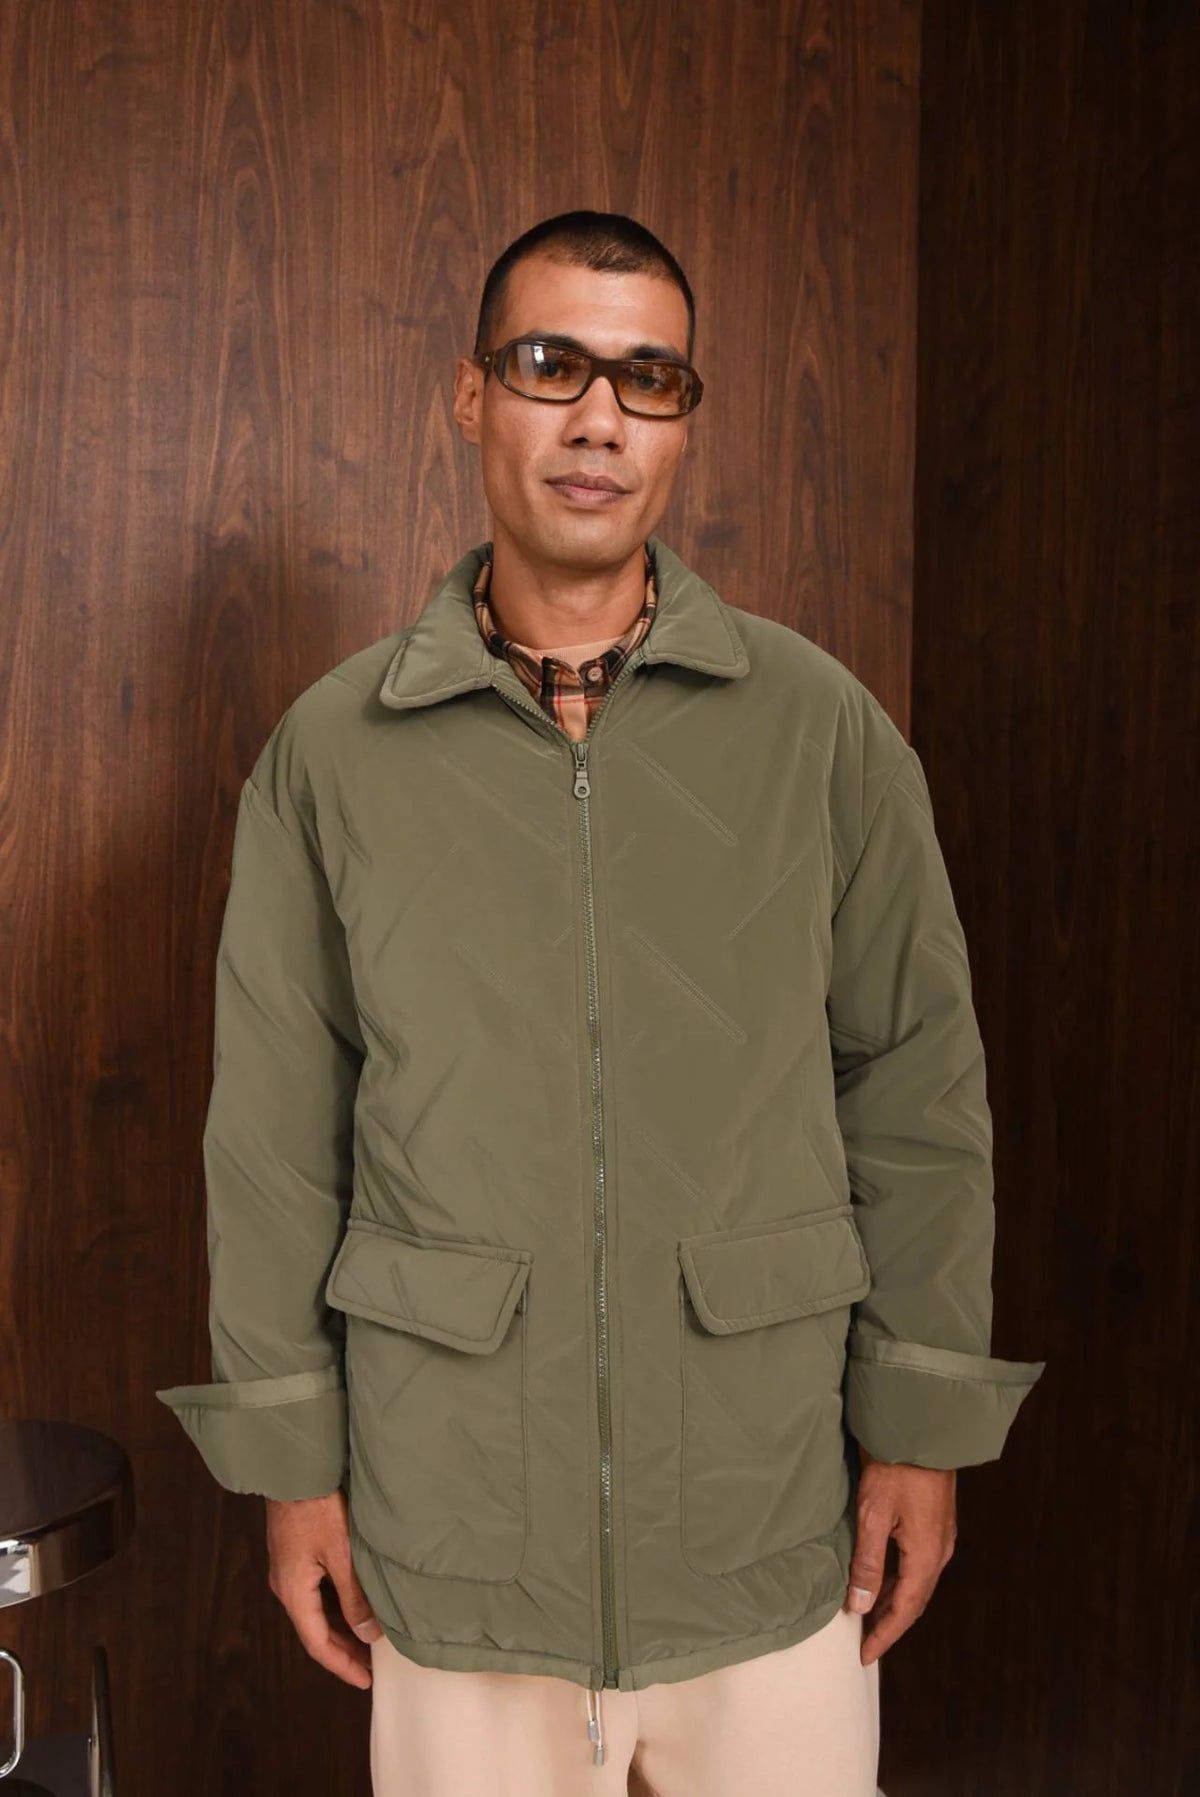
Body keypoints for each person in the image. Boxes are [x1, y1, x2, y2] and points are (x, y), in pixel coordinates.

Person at [157, 209, 1045, 1796]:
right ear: (470, 393)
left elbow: (916, 1086)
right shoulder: (331, 755)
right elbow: (277, 1135)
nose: (599, 418)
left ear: (684, 421)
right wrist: (293, 1468)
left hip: (766, 1507)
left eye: (650, 379)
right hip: (453, 1513)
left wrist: (918, 1423)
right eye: (550, 363)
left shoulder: (821, 730)